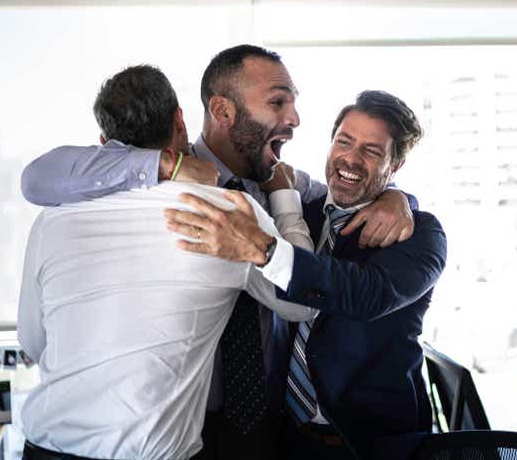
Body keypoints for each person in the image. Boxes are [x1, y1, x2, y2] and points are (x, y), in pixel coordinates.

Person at [20, 45, 416, 460]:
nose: (295, 118)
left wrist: (397, 196)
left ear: (105, 142)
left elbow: (34, 341)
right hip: (177, 436)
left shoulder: (287, 185)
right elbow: (301, 304)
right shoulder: (224, 209)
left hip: (260, 428)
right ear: (217, 112)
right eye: (278, 101)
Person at [165, 90, 448, 459]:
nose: (351, 158)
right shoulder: (302, 214)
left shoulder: (420, 234)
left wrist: (266, 249)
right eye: (344, 141)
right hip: (288, 441)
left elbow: (363, 294)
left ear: (395, 165)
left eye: (372, 151)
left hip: (375, 446)